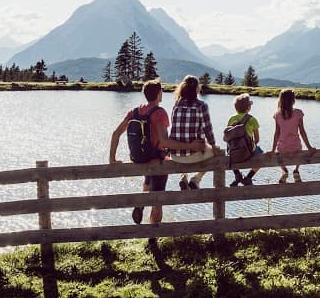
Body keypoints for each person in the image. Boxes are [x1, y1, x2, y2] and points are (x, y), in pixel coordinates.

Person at [108, 79, 203, 228]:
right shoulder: (159, 113)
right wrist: (191, 145)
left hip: (139, 158)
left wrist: (112, 158)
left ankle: (140, 204)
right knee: (158, 201)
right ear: (159, 94)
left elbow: (115, 134)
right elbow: (164, 142)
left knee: (147, 183)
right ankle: (153, 238)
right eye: (161, 91)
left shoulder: (134, 111)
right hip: (156, 160)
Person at [169, 74, 219, 189]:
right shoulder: (201, 105)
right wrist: (213, 145)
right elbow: (208, 129)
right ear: (197, 89)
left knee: (184, 136)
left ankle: (183, 177)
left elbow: (175, 127)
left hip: (175, 155)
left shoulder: (176, 105)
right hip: (193, 154)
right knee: (217, 153)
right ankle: (196, 179)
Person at [269, 87, 315, 183]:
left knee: (278, 155)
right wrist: (309, 147)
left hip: (283, 148)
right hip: (296, 146)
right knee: (300, 152)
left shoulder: (277, 114)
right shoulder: (298, 113)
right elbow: (302, 132)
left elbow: (276, 133)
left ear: (280, 100)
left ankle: (284, 170)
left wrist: (272, 150)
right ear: (293, 100)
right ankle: (296, 170)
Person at [223, 93, 266, 186]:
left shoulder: (231, 118)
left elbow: (227, 137)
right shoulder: (252, 119)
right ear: (248, 107)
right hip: (249, 150)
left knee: (230, 153)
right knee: (262, 157)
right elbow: (257, 139)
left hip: (233, 150)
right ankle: (248, 177)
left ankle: (237, 174)